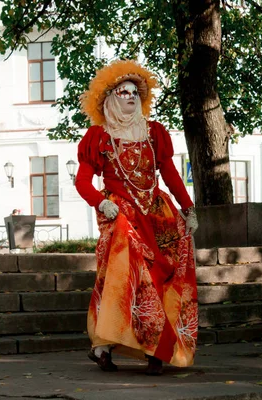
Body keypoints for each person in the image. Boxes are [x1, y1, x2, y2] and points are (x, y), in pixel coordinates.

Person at [75, 59, 199, 376]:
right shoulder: (98, 137)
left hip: (157, 213)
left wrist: (187, 208)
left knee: (162, 273)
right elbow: (83, 182)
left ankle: (157, 349)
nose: (130, 96)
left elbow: (170, 173)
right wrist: (102, 203)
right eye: (123, 91)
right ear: (110, 98)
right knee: (126, 273)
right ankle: (104, 345)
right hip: (121, 213)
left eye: (134, 92)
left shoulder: (154, 133)